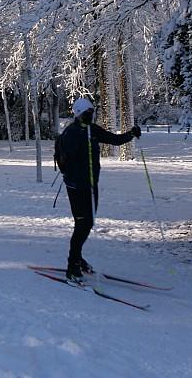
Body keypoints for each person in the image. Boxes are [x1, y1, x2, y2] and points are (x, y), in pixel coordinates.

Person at [55, 97, 141, 283]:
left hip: (91, 184)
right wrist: (78, 142)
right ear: (78, 114)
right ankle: (72, 266)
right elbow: (67, 158)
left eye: (92, 113)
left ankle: (78, 258)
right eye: (87, 113)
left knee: (89, 222)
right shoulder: (71, 133)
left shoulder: (92, 130)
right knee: (82, 224)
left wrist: (131, 134)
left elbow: (113, 140)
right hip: (76, 186)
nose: (90, 116)